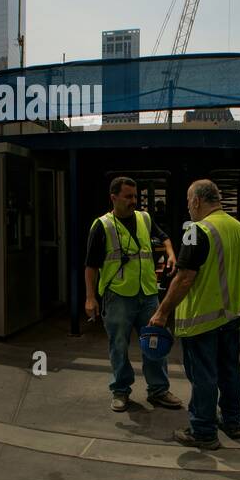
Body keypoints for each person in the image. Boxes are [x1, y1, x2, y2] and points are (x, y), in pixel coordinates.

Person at [149, 178, 240, 450]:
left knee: (203, 377)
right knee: (230, 371)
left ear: (197, 201)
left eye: (189, 201)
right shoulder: (239, 228)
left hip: (203, 320)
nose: (188, 207)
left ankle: (203, 431)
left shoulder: (197, 230)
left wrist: (162, 313)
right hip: (232, 315)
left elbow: (185, 278)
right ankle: (232, 422)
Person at [83, 175, 182, 415]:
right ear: (113, 197)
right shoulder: (102, 226)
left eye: (135, 196)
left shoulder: (144, 218)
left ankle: (158, 390)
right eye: (128, 197)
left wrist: (170, 253)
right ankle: (120, 390)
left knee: (154, 342)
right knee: (118, 345)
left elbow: (164, 236)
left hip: (147, 293)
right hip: (118, 295)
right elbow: (91, 266)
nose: (133, 201)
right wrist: (90, 297)